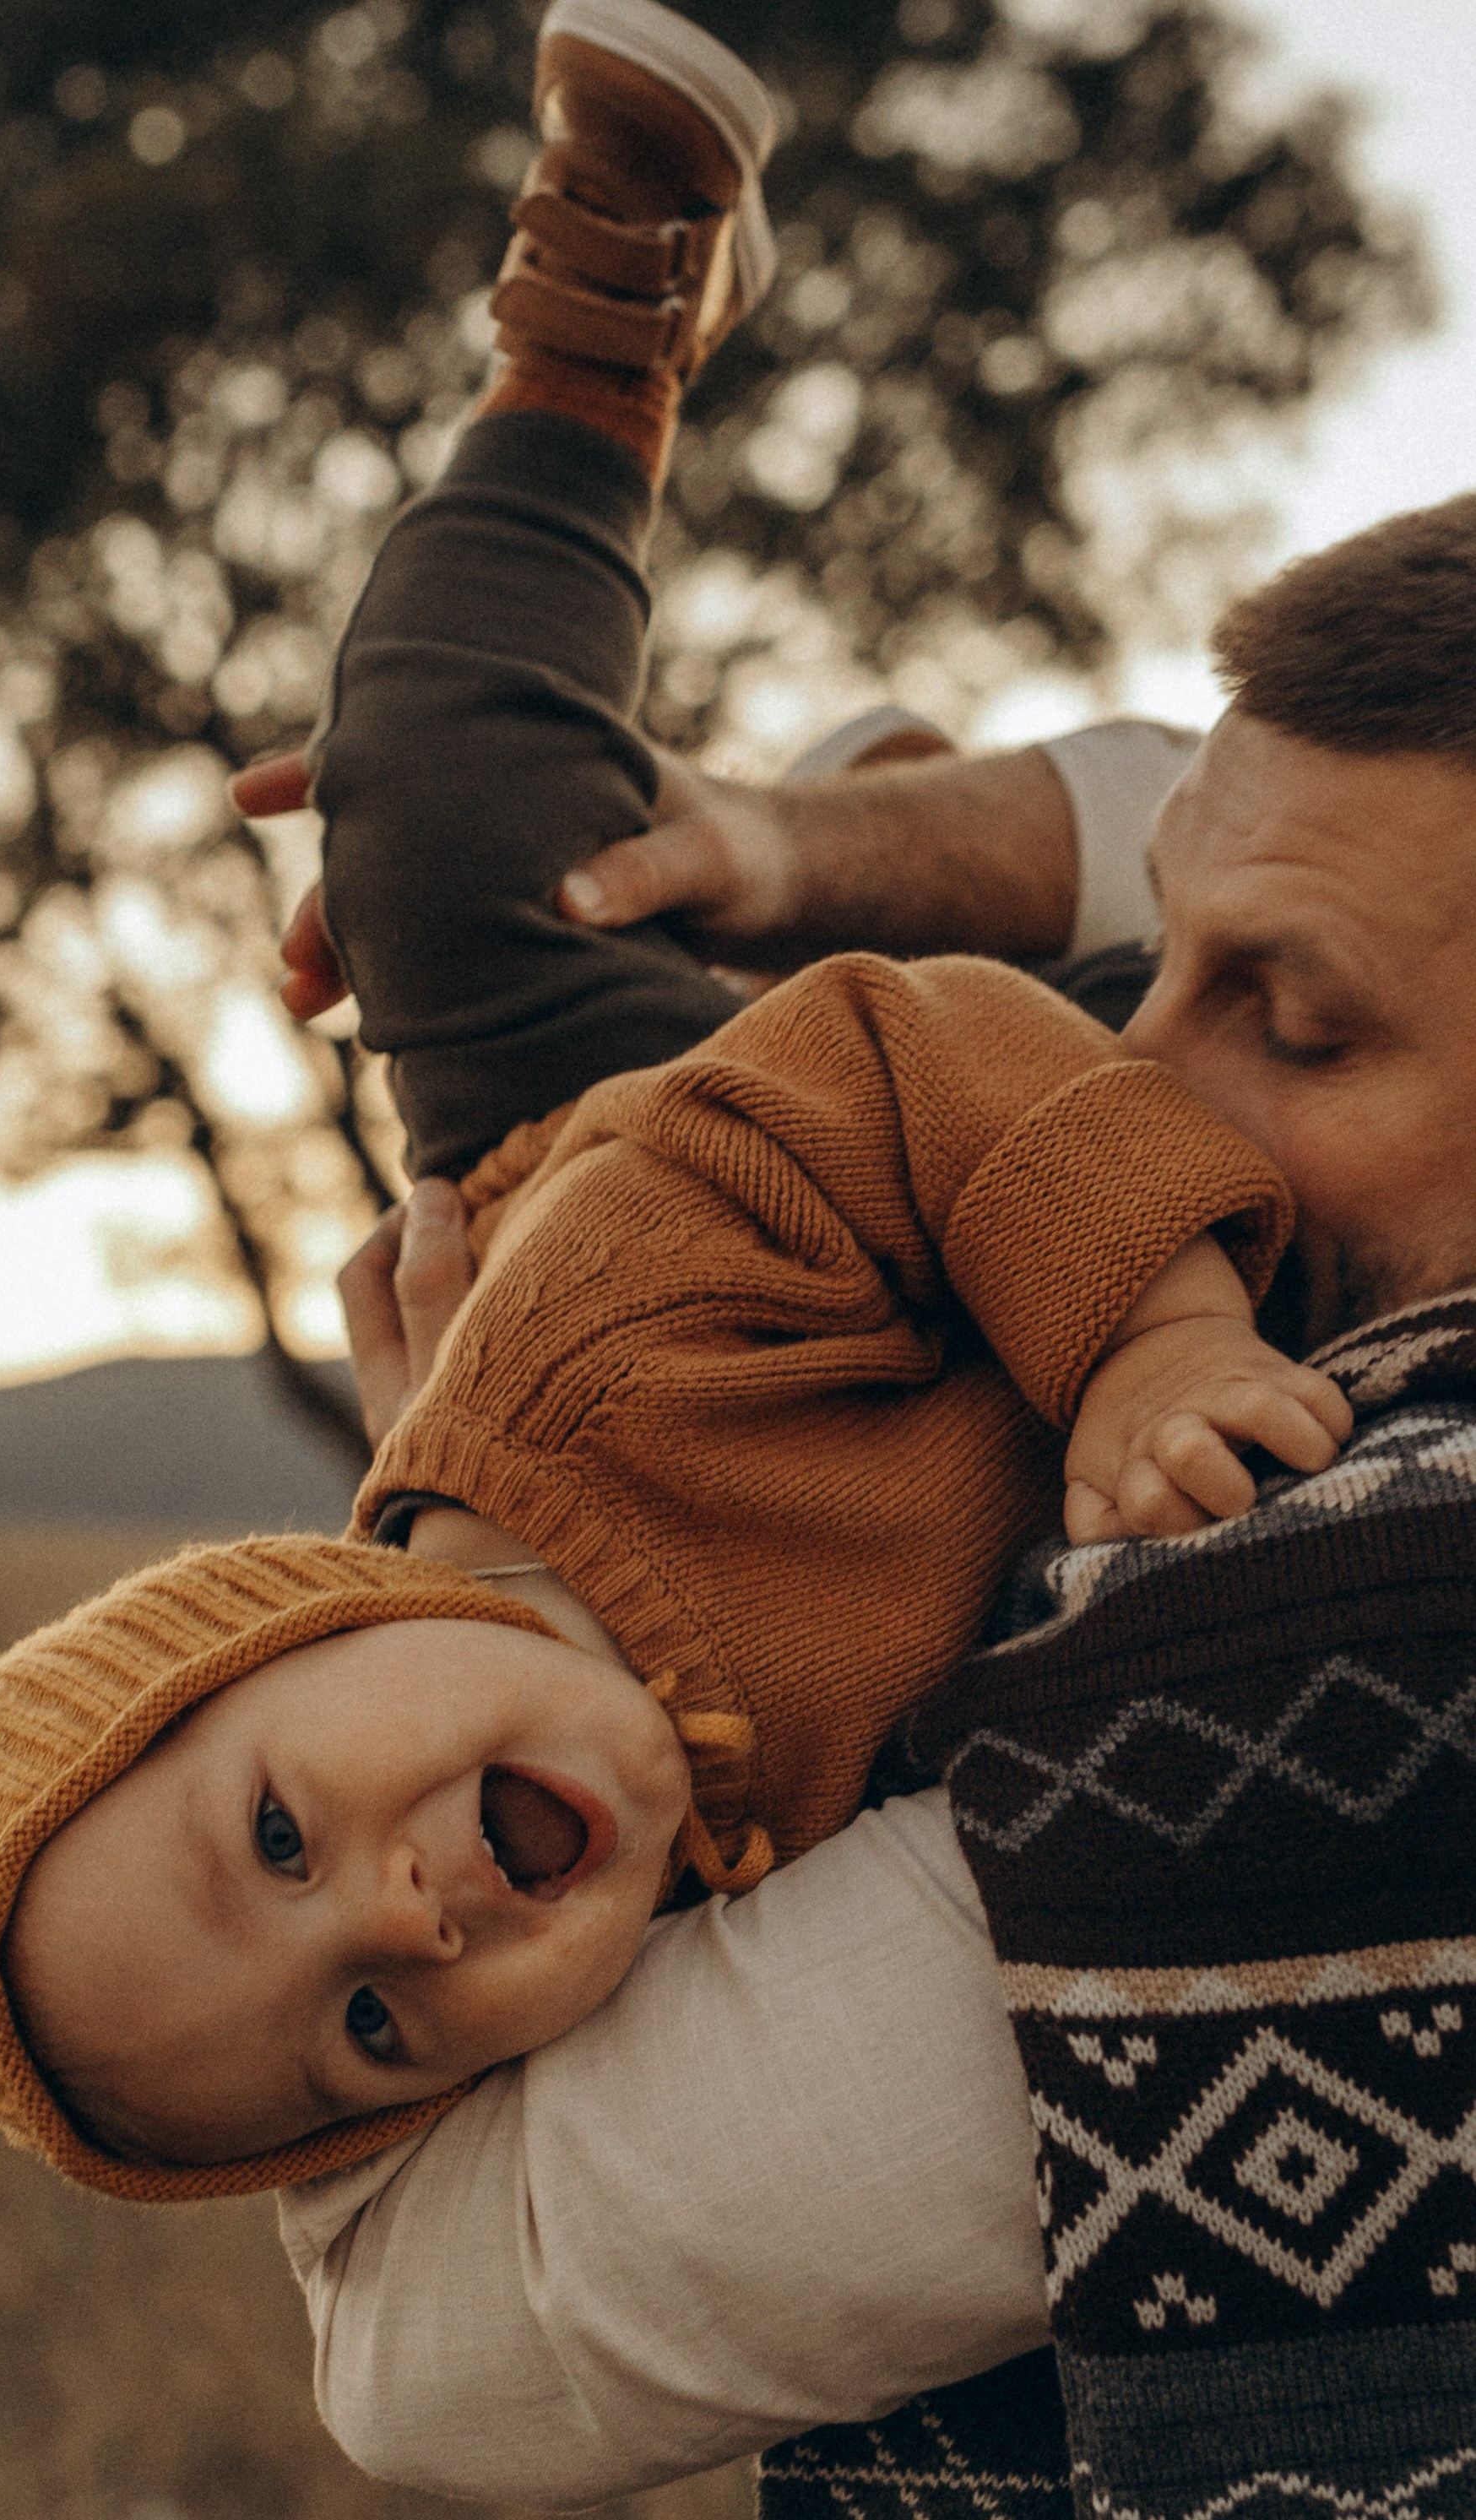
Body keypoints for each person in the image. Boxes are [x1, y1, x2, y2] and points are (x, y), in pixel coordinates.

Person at [0, 3, 1343, 2210]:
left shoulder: (596, 1360)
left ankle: (603, 308)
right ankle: (868, 814)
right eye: (365, 2031)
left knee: (438, 817)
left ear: (294, 1616)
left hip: (693, 1134)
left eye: (279, 1832)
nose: (401, 1920)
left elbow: (909, 1056)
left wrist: (1156, 1336)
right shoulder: (675, 1936)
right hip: (812, 1226)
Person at [261, 498, 1476, 2520]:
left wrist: (458, 1584)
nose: (1125, 1067)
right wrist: (785, 846)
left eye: (1294, 1019)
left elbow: (431, 2338)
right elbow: (1176, 805)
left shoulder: (1340, 1649)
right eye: (1158, 945)